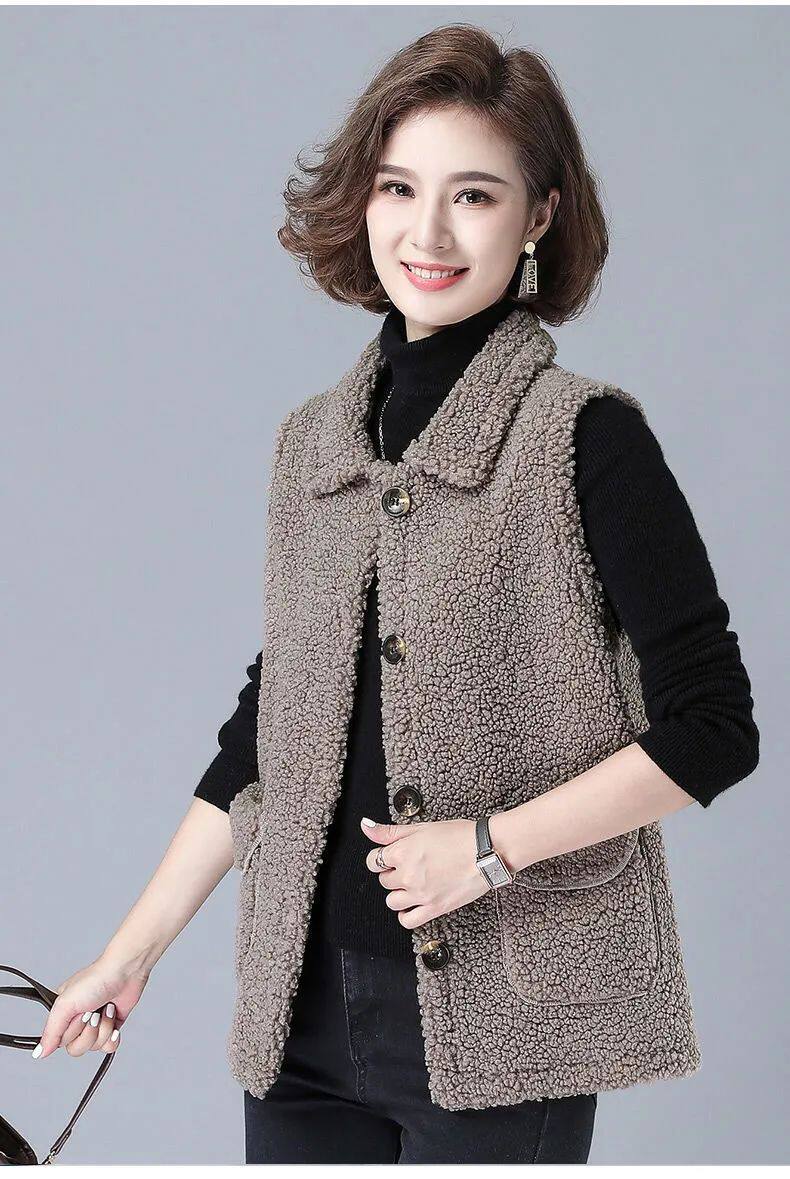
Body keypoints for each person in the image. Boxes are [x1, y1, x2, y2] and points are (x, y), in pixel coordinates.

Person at [33, 25, 759, 1165]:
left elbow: (714, 728)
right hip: (299, 1021)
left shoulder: (585, 439)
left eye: (473, 194)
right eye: (398, 187)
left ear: (538, 216)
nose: (427, 233)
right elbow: (268, 730)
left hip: (508, 1021)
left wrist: (488, 848)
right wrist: (127, 958)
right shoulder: (313, 447)